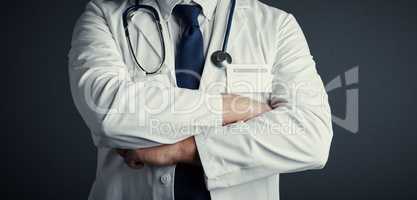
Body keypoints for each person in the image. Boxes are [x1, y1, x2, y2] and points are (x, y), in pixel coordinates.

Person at [68, 0, 333, 200]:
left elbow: (311, 137)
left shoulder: (276, 26)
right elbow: (107, 110)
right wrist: (232, 107)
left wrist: (183, 150)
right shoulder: (104, 15)